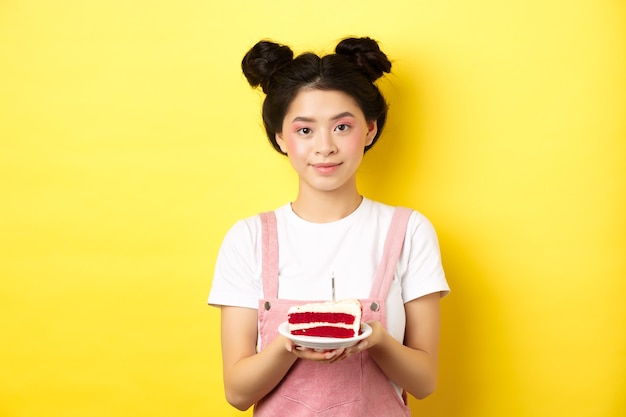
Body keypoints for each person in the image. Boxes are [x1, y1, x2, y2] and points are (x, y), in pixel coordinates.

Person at [208, 36, 450, 416]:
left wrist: (376, 339)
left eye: (342, 127)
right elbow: (237, 394)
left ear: (369, 130)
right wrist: (288, 344)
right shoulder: (249, 238)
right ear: (280, 138)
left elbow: (424, 383)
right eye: (305, 130)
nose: (325, 146)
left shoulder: (408, 231)